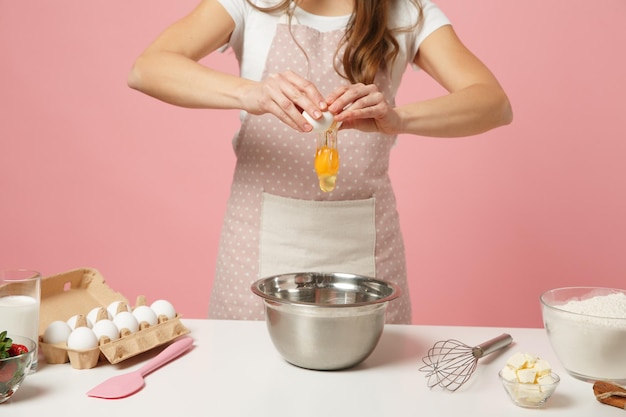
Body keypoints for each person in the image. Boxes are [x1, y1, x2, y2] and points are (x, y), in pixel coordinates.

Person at [127, 0, 513, 324]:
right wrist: (252, 94)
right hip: (254, 251)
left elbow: (494, 103)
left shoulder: (406, 12)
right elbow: (148, 68)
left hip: (368, 260)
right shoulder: (249, 4)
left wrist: (397, 119)